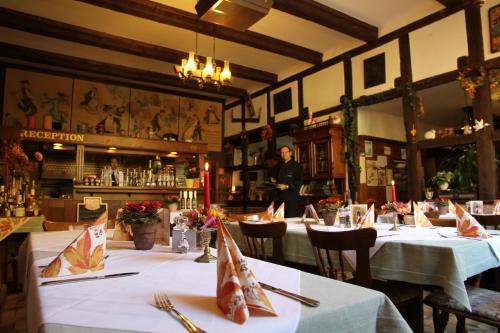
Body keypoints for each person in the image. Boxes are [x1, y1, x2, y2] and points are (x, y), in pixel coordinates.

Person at [272, 145, 303, 217]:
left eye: (286, 152)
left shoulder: (297, 166)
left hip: (291, 199)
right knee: (280, 221)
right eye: (282, 152)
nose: (284, 154)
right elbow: (276, 179)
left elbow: (299, 182)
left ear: (290, 153)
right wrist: (273, 181)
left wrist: (286, 186)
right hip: (279, 198)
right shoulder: (279, 166)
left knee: (291, 220)